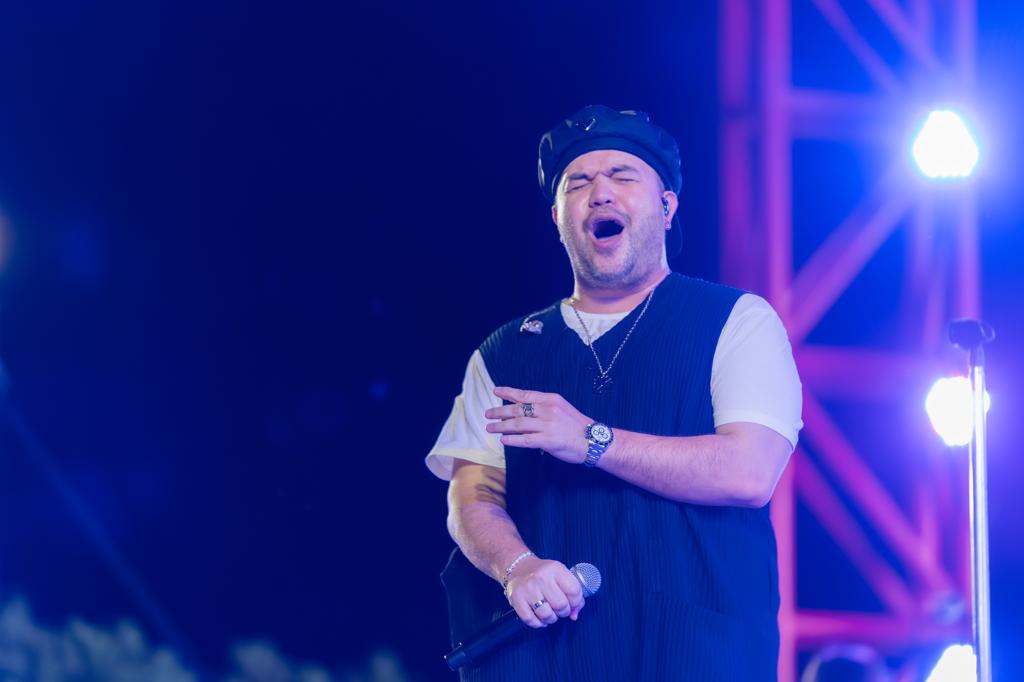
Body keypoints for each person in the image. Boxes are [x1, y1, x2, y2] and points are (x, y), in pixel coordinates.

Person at [426, 105, 803, 681]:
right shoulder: (503, 352)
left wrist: (590, 439)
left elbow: (749, 472)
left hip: (694, 653)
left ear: (667, 206)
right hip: (542, 662)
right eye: (577, 183)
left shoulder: (736, 319)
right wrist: (517, 566)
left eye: (622, 176)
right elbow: (471, 493)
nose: (599, 192)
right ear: (558, 217)